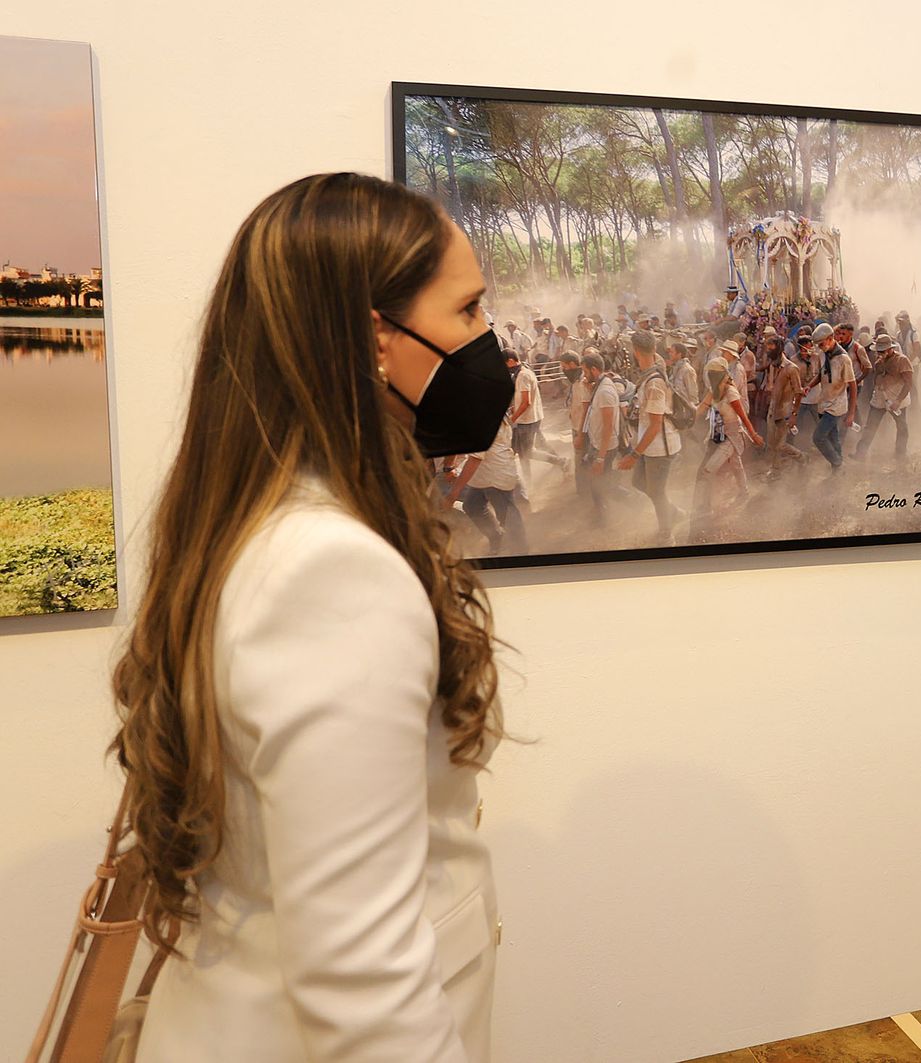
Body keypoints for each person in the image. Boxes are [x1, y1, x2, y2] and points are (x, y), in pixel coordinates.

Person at [118, 173, 507, 1061]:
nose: (489, 342)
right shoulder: (333, 572)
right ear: (377, 335)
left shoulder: (257, 519)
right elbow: (359, 973)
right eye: (470, 310)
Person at [615, 329, 684, 537]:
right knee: (638, 482)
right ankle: (673, 512)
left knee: (656, 491)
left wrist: (633, 455)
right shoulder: (655, 368)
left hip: (660, 446)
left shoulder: (654, 383)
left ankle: (667, 533)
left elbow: (655, 425)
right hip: (647, 443)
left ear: (635, 351)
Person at [690, 358, 763, 537]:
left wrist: (754, 436)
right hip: (719, 435)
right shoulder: (713, 391)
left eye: (713, 374)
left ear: (720, 374)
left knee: (708, 471)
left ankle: (706, 510)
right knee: (736, 464)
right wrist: (683, 419)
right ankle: (744, 492)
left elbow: (743, 418)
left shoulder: (731, 392)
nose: (710, 376)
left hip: (732, 436)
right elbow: (700, 409)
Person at [445, 417, 528, 556]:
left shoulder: (483, 420)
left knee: (507, 517)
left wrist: (453, 494)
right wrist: (449, 466)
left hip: (496, 476)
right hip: (483, 476)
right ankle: (497, 536)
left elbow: (474, 460)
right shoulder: (478, 414)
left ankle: (521, 553)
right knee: (472, 506)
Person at [507, 350, 569, 487]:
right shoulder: (524, 371)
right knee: (530, 447)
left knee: (527, 452)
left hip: (527, 420)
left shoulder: (522, 376)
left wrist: (513, 418)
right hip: (531, 417)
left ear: (511, 361)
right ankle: (557, 463)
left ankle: (561, 462)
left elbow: (526, 401)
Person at [853, 334, 912, 462]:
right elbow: (876, 379)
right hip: (880, 397)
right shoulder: (878, 362)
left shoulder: (902, 361)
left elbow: (908, 383)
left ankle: (900, 454)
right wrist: (878, 380)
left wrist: (898, 401)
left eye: (882, 350)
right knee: (870, 426)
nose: (879, 353)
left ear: (890, 349)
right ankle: (860, 453)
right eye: (878, 351)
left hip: (897, 398)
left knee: (902, 427)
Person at [579, 351, 621, 524]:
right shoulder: (599, 385)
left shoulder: (605, 391)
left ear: (594, 370)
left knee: (599, 483)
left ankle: (603, 517)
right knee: (598, 481)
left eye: (585, 371)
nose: (583, 375)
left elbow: (608, 427)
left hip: (604, 446)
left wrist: (600, 458)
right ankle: (601, 511)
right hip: (598, 443)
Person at [808, 323, 855, 469]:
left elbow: (852, 386)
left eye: (821, 344)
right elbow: (822, 375)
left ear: (830, 339)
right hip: (824, 403)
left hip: (836, 406)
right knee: (833, 438)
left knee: (818, 437)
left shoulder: (843, 359)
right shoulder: (824, 354)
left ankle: (837, 462)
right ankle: (838, 469)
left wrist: (851, 414)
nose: (820, 347)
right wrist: (809, 386)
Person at [761, 336, 805, 472]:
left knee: (780, 445)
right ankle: (776, 470)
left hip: (784, 412)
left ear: (779, 347)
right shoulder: (772, 366)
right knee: (772, 444)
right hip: (772, 410)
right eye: (767, 346)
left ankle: (802, 457)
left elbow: (799, 392)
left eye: (771, 347)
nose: (768, 350)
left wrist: (794, 414)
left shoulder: (791, 369)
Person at [559, 350, 590, 497]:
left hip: (582, 429)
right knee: (580, 459)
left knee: (581, 461)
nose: (563, 370)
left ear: (572, 364)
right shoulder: (575, 381)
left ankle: (585, 493)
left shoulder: (584, 381)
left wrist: (581, 435)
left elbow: (586, 409)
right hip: (576, 425)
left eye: (564, 367)